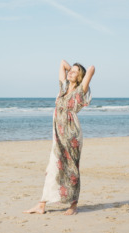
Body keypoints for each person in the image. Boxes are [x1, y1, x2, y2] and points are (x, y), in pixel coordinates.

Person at [24, 60, 95, 215]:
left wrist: (80, 75)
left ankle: (73, 205)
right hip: (58, 134)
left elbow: (91, 69)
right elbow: (63, 62)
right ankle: (41, 205)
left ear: (80, 77)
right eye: (71, 70)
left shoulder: (80, 90)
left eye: (75, 72)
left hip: (72, 136)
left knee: (72, 170)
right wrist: (71, 71)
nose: (71, 72)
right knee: (52, 167)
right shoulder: (63, 88)